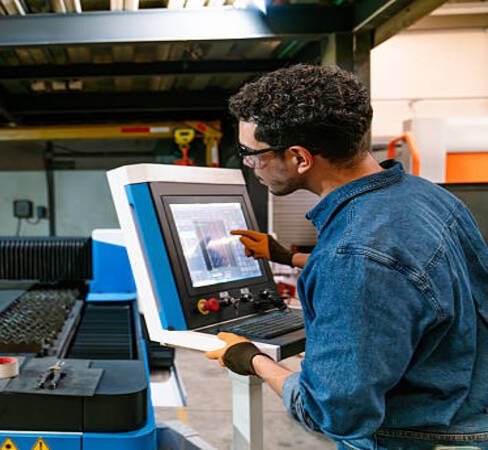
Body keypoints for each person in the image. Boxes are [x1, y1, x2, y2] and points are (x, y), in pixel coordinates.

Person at [205, 64, 488, 450]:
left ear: (299, 158)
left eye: (251, 154)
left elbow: (331, 412)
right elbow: (412, 276)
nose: (248, 165)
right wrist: (287, 257)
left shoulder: (353, 255)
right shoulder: (427, 196)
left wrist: (252, 359)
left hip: (416, 439)